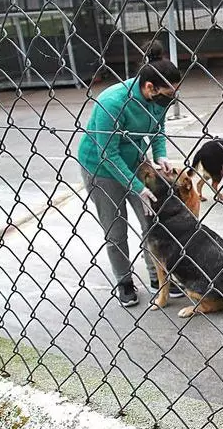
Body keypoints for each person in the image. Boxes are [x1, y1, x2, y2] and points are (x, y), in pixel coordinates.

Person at [78, 42, 183, 307]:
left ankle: (158, 278)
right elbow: (108, 153)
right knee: (116, 230)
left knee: (152, 224)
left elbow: (158, 128)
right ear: (149, 88)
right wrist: (137, 187)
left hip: (134, 160)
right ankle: (124, 282)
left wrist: (160, 155)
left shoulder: (159, 99)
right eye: (168, 93)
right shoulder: (112, 102)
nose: (170, 99)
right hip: (101, 168)